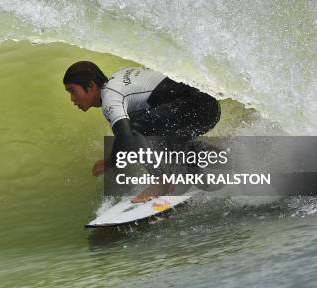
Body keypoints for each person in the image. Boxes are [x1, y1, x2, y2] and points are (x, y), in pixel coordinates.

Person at [63, 61, 220, 202]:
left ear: (91, 86)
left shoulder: (110, 98)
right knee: (154, 132)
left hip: (197, 107)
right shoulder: (118, 80)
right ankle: (213, 155)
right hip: (206, 106)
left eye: (72, 91)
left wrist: (110, 163)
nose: (72, 99)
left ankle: (162, 182)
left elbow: (126, 136)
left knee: (135, 129)